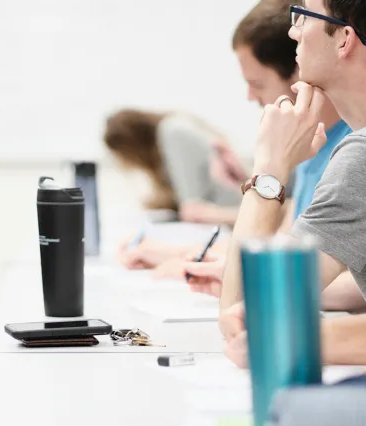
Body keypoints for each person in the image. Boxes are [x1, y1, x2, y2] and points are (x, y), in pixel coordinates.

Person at [117, 0, 354, 279]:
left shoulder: (349, 149)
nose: (250, 97)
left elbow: (324, 274)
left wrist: (265, 172)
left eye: (257, 84)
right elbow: (284, 245)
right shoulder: (311, 142)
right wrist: (189, 256)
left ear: (298, 68)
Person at [220, 0, 366, 367]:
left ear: (344, 39)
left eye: (304, 16)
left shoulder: (361, 156)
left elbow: (246, 312)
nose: (292, 30)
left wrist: (270, 168)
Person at [104, 109, 243, 225]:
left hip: (233, 216)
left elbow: (191, 209)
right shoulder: (171, 129)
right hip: (231, 216)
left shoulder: (172, 131)